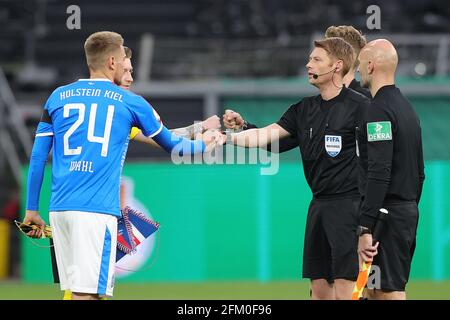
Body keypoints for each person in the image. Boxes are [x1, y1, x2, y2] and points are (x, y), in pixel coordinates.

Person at [23, 31, 222, 300]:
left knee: (76, 293)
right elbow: (173, 145)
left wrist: (31, 209)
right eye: (125, 67)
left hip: (60, 211)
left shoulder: (58, 97)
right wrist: (208, 143)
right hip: (94, 212)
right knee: (88, 295)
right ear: (113, 62)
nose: (129, 76)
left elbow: (37, 157)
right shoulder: (129, 103)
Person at [228, 37, 370, 299]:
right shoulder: (303, 109)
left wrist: (369, 221)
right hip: (318, 206)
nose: (308, 64)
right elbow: (265, 136)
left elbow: (378, 162)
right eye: (309, 59)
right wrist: (225, 137)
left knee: (345, 290)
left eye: (316, 59)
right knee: (319, 291)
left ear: (337, 66)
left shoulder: (361, 106)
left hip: (349, 207)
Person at [223, 25, 370, 150]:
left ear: (341, 59)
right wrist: (243, 128)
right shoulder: (308, 108)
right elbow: (277, 143)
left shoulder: (367, 104)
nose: (310, 63)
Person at [357, 39, 425, 300]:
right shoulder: (408, 109)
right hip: (405, 212)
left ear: (372, 66)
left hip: (387, 216)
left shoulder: (378, 110)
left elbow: (379, 170)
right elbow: (420, 172)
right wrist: (407, 208)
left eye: (362, 64)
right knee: (377, 291)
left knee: (386, 292)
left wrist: (365, 226)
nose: (360, 70)